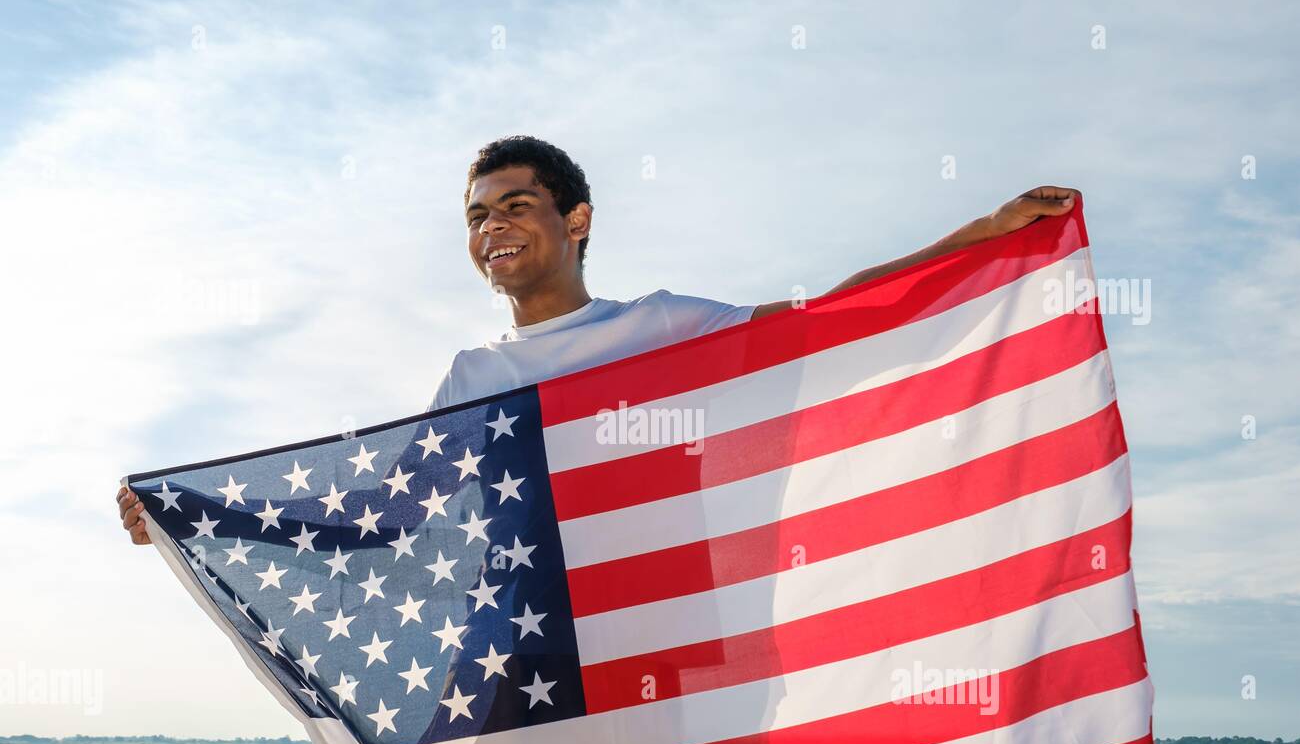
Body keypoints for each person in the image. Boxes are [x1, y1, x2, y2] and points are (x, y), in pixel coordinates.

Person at [117, 134, 1079, 543]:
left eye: (516, 204)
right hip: (526, 653)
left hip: (675, 640)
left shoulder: (660, 329)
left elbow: (826, 320)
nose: (490, 226)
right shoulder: (475, 376)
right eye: (475, 214)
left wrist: (982, 235)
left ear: (576, 219)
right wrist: (203, 515)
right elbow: (385, 516)